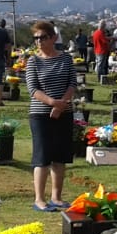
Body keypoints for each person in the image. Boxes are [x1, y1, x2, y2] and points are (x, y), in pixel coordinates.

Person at [26, 21, 76, 212]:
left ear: (53, 38)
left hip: (64, 112)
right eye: (36, 38)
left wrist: (62, 104)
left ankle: (56, 196)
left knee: (60, 156)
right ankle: (39, 198)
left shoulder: (66, 59)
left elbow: (72, 83)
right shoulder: (33, 61)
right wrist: (53, 103)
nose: (39, 42)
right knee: (42, 156)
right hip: (40, 114)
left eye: (43, 37)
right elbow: (33, 89)